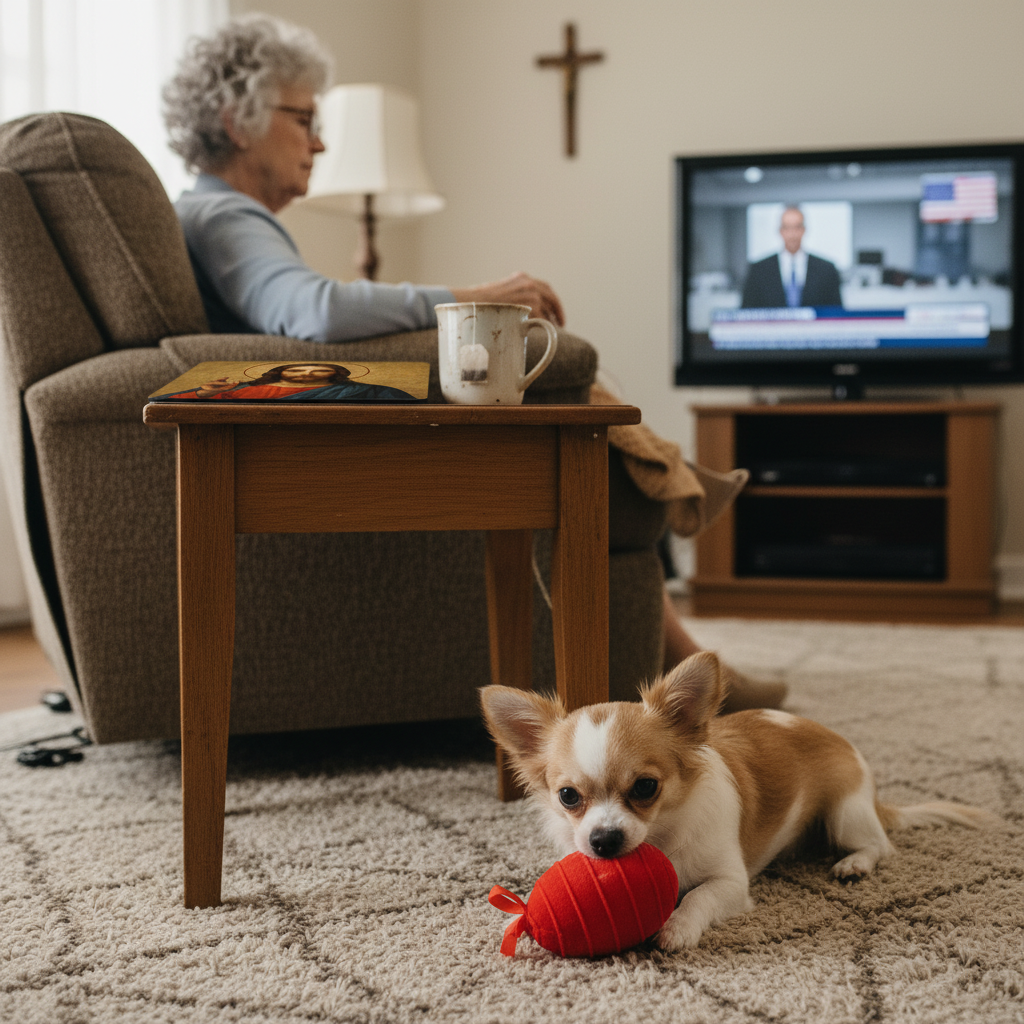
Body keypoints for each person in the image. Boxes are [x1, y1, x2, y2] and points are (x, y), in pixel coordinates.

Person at [162, 14, 785, 713]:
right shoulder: (226, 218)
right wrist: (477, 298)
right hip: (334, 454)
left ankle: (679, 551)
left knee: (565, 383)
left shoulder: (215, 217)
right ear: (235, 119)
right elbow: (318, 314)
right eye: (304, 118)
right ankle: (675, 488)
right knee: (548, 371)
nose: (321, 140)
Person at [741, 206, 843, 309]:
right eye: (787, 227)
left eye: (797, 227)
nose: (792, 234)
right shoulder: (758, 270)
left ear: (804, 230)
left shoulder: (826, 270)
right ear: (780, 231)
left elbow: (837, 314)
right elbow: (746, 313)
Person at [164, 362, 419, 402]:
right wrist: (204, 393)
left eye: (317, 369)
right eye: (300, 369)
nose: (307, 373)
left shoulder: (367, 391)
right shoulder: (241, 389)